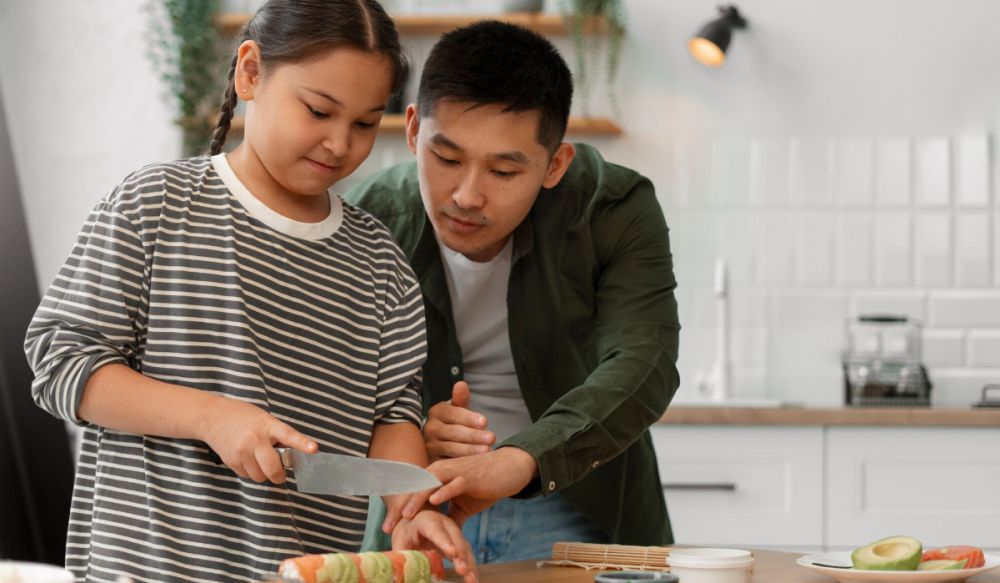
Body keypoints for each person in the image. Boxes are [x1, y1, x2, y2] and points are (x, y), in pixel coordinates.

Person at [23, 1, 476, 582]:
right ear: (250, 72)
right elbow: (61, 363)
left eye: (365, 123)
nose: (340, 143)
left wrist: (408, 506)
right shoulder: (155, 206)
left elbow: (392, 414)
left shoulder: (379, 264)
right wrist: (212, 417)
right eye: (318, 110)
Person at [344, 21, 680, 563]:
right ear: (411, 130)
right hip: (416, 505)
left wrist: (522, 458)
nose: (467, 195)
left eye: (503, 170)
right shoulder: (365, 222)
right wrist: (410, 432)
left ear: (555, 165)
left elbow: (646, 362)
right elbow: (334, 388)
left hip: (577, 500)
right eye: (446, 158)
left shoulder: (612, 208)